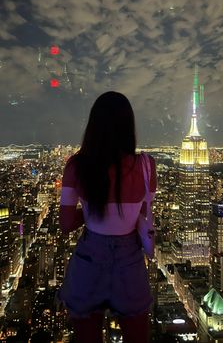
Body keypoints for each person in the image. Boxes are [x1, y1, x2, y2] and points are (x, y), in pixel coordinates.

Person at [57, 91, 157, 343]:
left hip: (89, 258)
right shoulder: (147, 166)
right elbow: (141, 215)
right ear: (128, 125)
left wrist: (92, 210)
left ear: (93, 126)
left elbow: (66, 224)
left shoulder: (76, 166)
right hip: (130, 261)